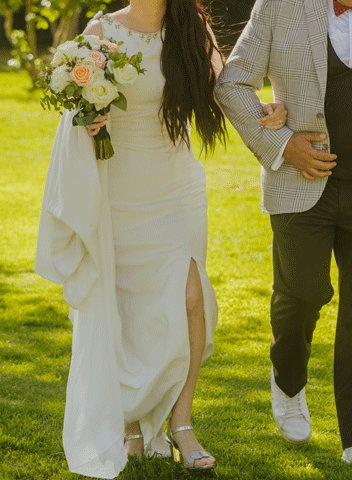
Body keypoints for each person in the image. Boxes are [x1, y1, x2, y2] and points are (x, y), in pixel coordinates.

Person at [35, 0, 286, 477]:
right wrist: (86, 120)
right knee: (125, 306)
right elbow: (78, 111)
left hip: (174, 184)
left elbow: (227, 90)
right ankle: (131, 427)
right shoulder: (103, 29)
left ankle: (182, 422)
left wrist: (264, 108)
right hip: (118, 187)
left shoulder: (191, 29)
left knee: (191, 295)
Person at [216, 0, 352, 465]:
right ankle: (288, 378)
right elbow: (232, 84)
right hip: (301, 184)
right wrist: (283, 144)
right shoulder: (281, 5)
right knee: (304, 293)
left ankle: (351, 439)